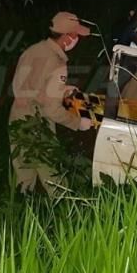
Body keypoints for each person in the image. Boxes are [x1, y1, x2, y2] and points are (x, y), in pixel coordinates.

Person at [8, 11, 92, 197]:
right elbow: (52, 109)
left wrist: (63, 90)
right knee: (52, 172)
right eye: (76, 35)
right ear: (67, 37)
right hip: (38, 124)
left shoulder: (33, 50)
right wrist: (78, 123)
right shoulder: (57, 63)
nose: (77, 39)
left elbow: (25, 85)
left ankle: (22, 206)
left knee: (23, 170)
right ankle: (65, 208)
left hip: (18, 116)